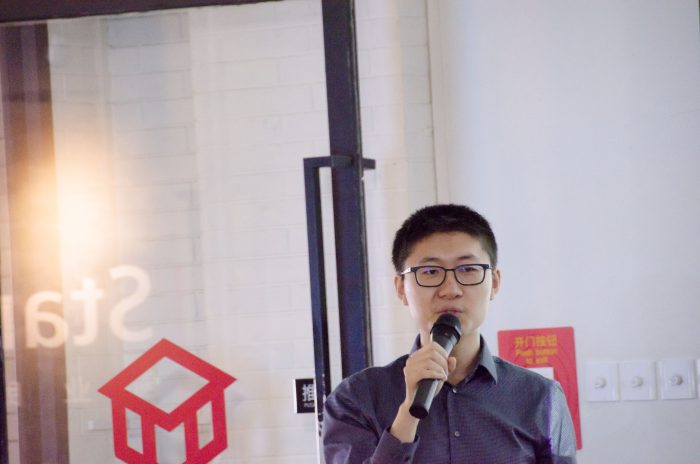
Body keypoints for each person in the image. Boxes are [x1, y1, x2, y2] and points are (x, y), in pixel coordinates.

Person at [323, 204, 577, 463]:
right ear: (401, 288)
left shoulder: (541, 398)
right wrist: (408, 413)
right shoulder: (356, 399)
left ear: (494, 283)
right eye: (430, 272)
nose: (450, 289)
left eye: (467, 269)